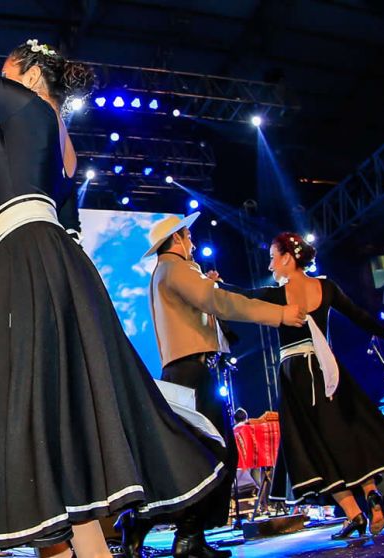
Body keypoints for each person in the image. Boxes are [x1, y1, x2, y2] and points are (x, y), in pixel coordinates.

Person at [0, 35, 228, 558]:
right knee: (49, 410)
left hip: (29, 258)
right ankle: (78, 543)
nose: (0, 76)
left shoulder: (28, 106)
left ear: (32, 76)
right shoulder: (45, 126)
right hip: (33, 263)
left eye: (7, 67)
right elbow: (69, 215)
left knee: (33, 402)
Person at [129, 213, 306, 558]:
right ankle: (171, 530)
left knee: (202, 456)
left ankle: (170, 530)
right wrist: (279, 315)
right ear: (177, 240)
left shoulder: (169, 272)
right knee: (215, 455)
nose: (193, 242)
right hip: (192, 375)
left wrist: (206, 288)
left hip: (190, 374)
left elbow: (206, 309)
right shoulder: (175, 269)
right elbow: (221, 301)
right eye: (188, 236)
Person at [248, 233, 384, 539]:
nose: (271, 263)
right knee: (348, 433)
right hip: (330, 370)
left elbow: (236, 297)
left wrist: (210, 284)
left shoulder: (276, 295)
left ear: (288, 257)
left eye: (274, 256)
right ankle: (370, 492)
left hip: (297, 374)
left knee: (314, 445)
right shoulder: (325, 287)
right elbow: (358, 315)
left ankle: (353, 513)